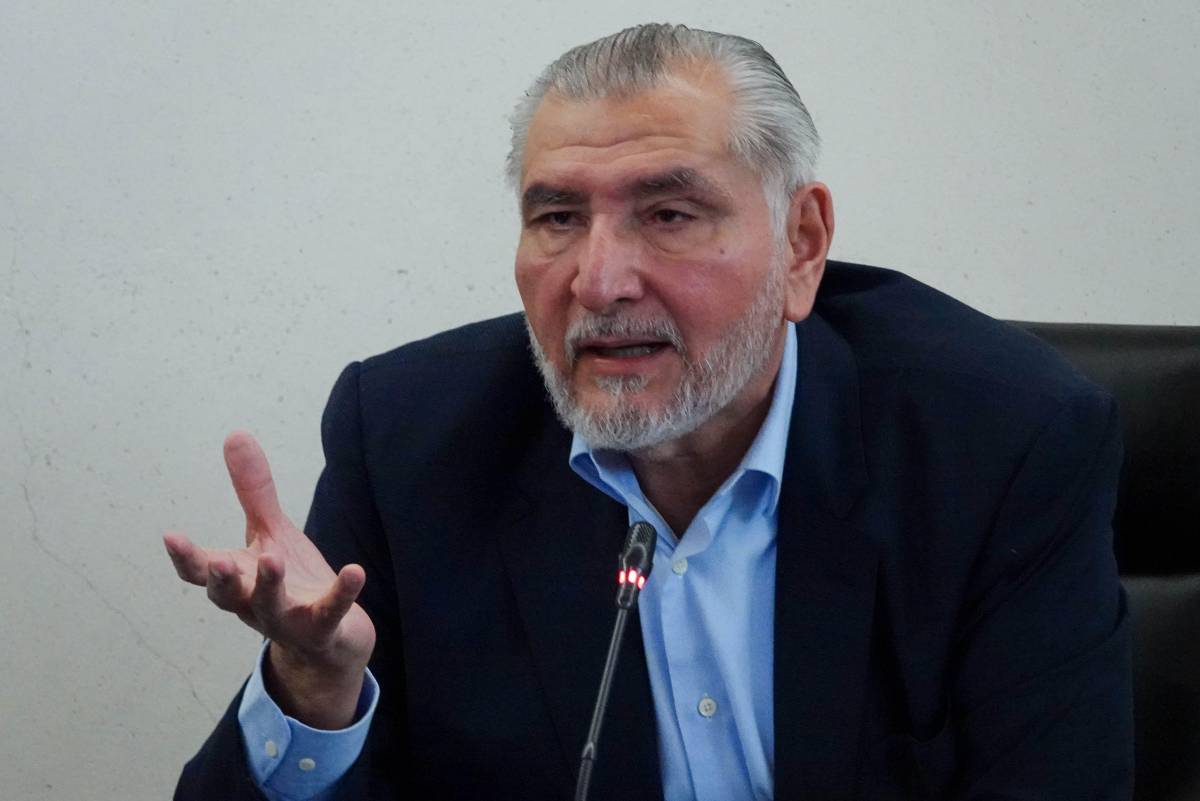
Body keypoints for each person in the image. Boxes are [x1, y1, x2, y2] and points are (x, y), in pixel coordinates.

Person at [164, 23, 1132, 801]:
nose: (599, 281)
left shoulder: (1001, 445)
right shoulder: (411, 443)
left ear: (801, 246)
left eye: (668, 216)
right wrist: (315, 691)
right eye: (558, 218)